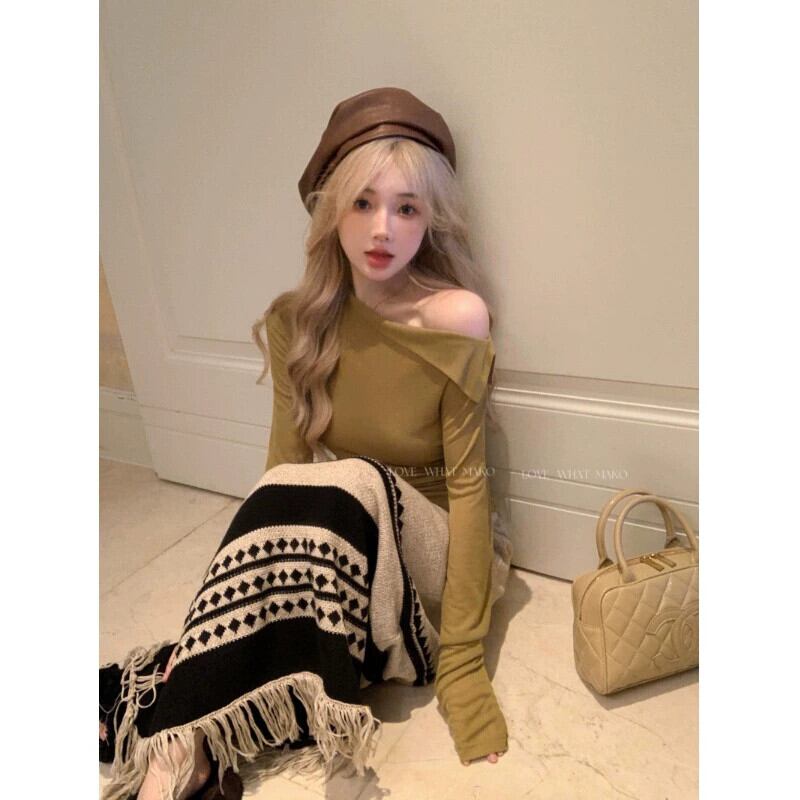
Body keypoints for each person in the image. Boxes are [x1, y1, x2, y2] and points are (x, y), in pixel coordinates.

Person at [99, 87, 511, 800]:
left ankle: (187, 715)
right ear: (331, 210)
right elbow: (282, 473)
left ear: (430, 219)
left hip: (441, 555)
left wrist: (465, 666)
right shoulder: (301, 322)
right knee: (308, 488)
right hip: (353, 548)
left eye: (407, 208)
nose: (382, 228)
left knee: (350, 477)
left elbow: (471, 489)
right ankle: (187, 747)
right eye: (363, 203)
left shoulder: (455, 316)